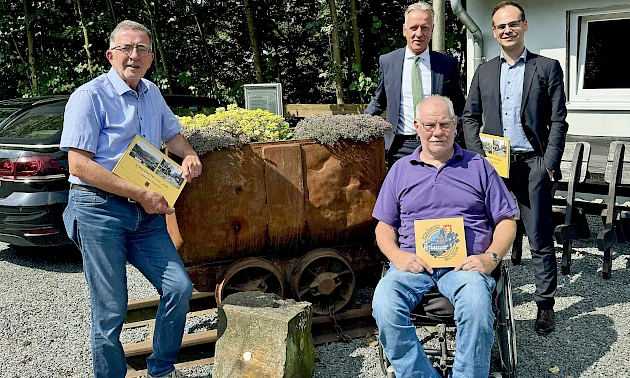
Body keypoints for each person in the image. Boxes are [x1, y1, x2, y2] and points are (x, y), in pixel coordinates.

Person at [61, 20, 201, 378]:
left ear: (151, 58)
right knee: (110, 310)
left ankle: (161, 369)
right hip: (97, 210)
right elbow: (78, 164)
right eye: (126, 48)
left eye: (141, 49)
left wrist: (188, 154)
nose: (133, 55)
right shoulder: (88, 97)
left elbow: (174, 136)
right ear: (110, 55)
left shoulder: (152, 92)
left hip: (145, 214)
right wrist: (140, 193)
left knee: (179, 287)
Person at [372, 95, 518, 377]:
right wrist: (398, 255)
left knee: (477, 307)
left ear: (455, 125)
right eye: (429, 125)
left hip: (465, 267)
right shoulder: (400, 171)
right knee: (384, 304)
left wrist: (490, 259)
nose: (437, 132)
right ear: (417, 126)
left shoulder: (479, 166)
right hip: (413, 266)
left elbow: (506, 221)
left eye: (444, 124)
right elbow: (383, 227)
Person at [462, 0, 568, 335]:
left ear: (523, 26)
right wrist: (478, 158)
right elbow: (469, 117)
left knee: (539, 236)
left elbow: (558, 120)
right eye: (500, 26)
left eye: (513, 24)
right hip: (494, 167)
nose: (507, 31)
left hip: (532, 165)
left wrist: (548, 164)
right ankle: (483, 300)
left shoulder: (547, 67)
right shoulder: (485, 70)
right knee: (483, 234)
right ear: (494, 32)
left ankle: (545, 305)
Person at [364, 1, 466, 168]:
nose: (419, 34)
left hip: (438, 144)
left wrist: (454, 133)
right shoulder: (388, 62)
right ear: (405, 30)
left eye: (425, 28)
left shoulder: (446, 65)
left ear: (432, 30)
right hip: (399, 146)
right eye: (414, 28)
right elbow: (379, 101)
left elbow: (459, 107)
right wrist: (359, 124)